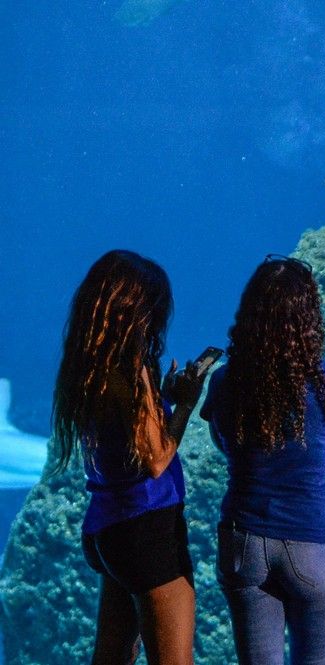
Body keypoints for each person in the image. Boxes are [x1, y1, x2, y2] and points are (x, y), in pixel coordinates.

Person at [200, 255, 325, 665]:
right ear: (310, 317)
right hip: (315, 542)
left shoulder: (224, 380)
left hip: (245, 540)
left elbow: (225, 444)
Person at [52, 249, 206, 665]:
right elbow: (155, 460)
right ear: (138, 312)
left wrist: (164, 402)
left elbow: (131, 438)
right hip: (147, 529)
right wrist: (187, 404)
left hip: (108, 529)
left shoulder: (88, 367)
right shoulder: (130, 366)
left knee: (111, 658)